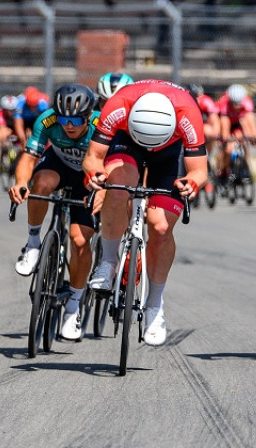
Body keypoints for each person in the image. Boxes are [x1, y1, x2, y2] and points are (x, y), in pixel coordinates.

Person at [83, 79, 208, 346]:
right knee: (118, 189)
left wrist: (192, 182)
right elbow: (93, 156)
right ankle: (108, 262)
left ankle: (154, 305)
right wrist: (95, 174)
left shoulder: (188, 111)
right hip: (127, 142)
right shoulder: (119, 105)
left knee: (161, 228)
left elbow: (199, 169)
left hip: (170, 152)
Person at [8, 83, 100, 340]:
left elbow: (113, 165)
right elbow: (28, 158)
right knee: (41, 184)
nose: (69, 125)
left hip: (90, 176)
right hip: (58, 165)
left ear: (88, 116)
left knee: (80, 241)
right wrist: (20, 183)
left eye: (76, 119)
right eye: (64, 119)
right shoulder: (46, 120)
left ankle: (73, 307)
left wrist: (102, 192)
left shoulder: (101, 125)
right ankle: (34, 242)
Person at [217, 84, 256, 183]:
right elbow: (224, 125)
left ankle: (246, 167)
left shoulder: (247, 102)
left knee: (243, 141)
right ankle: (223, 171)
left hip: (238, 123)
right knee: (228, 148)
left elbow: (250, 121)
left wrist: (253, 136)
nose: (236, 106)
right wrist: (225, 138)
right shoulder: (224, 103)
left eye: (238, 103)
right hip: (226, 122)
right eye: (234, 103)